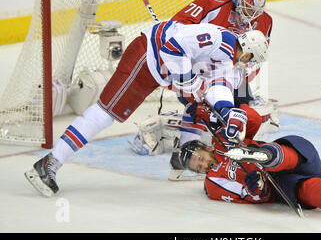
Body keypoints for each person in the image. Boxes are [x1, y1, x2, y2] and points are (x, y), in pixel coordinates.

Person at [24, 20, 269, 197]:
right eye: (251, 61)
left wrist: (228, 112)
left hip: (158, 72)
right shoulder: (218, 38)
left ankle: (52, 161)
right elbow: (172, 48)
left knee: (111, 114)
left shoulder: (231, 64)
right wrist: (188, 81)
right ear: (247, 54)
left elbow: (219, 87)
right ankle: (50, 162)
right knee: (104, 114)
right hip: (147, 57)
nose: (248, 67)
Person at [177, 107, 321, 220]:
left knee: (274, 155)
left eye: (198, 157)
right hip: (279, 186)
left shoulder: (222, 138)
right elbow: (246, 196)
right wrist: (256, 188)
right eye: (197, 167)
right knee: (305, 190)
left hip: (297, 155)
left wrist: (228, 115)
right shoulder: (213, 184)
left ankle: (266, 157)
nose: (202, 165)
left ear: (204, 147)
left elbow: (253, 120)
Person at [165, 0, 274, 180]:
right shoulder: (214, 4)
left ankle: (232, 155)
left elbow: (257, 58)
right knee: (196, 106)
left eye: (256, 10)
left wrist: (240, 78)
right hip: (196, 67)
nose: (252, 15)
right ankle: (183, 155)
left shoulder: (265, 21)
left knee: (239, 109)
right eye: (248, 8)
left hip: (232, 71)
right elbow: (179, 28)